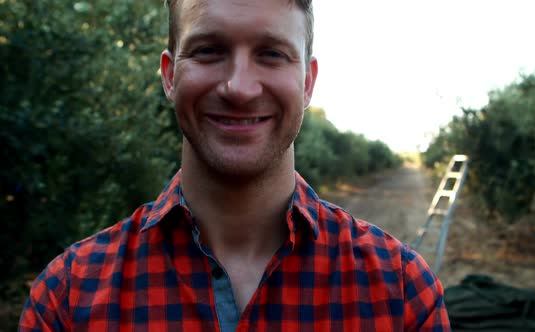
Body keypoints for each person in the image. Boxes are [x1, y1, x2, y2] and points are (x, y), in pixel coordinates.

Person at [19, 0, 450, 330]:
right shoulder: (67, 299)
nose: (239, 88)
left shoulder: (402, 293)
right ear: (170, 76)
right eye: (208, 51)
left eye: (271, 54)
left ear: (307, 82)